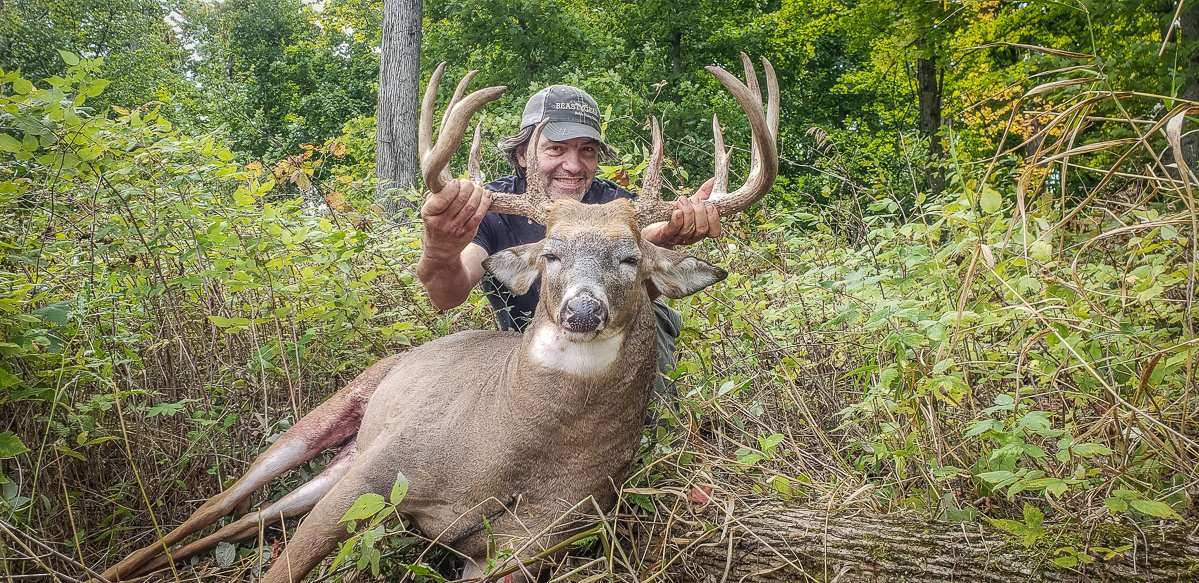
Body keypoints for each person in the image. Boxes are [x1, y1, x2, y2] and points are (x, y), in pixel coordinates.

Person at [416, 84, 723, 401]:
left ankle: (650, 420)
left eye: (587, 150)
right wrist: (440, 250)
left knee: (651, 317)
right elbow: (448, 295)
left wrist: (672, 232)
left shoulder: (615, 203)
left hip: (613, 340)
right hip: (528, 347)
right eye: (556, 149)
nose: (574, 166)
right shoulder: (490, 207)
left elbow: (643, 244)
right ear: (523, 154)